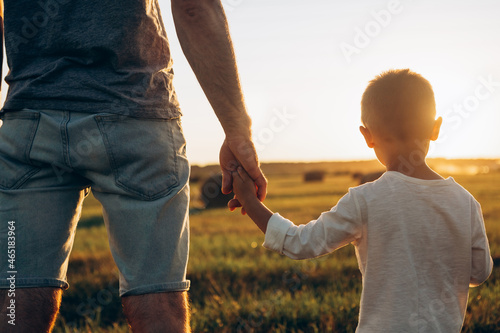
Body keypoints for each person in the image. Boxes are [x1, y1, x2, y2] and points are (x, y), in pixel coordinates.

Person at [0, 0, 266, 332]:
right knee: (159, 303)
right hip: (137, 115)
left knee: (16, 298)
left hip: (31, 123)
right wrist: (238, 130)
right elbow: (194, 7)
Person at [231, 69, 493, 332]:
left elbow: (301, 243)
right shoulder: (466, 203)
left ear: (367, 136)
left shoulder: (364, 200)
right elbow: (479, 274)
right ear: (435, 128)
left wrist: (251, 203)